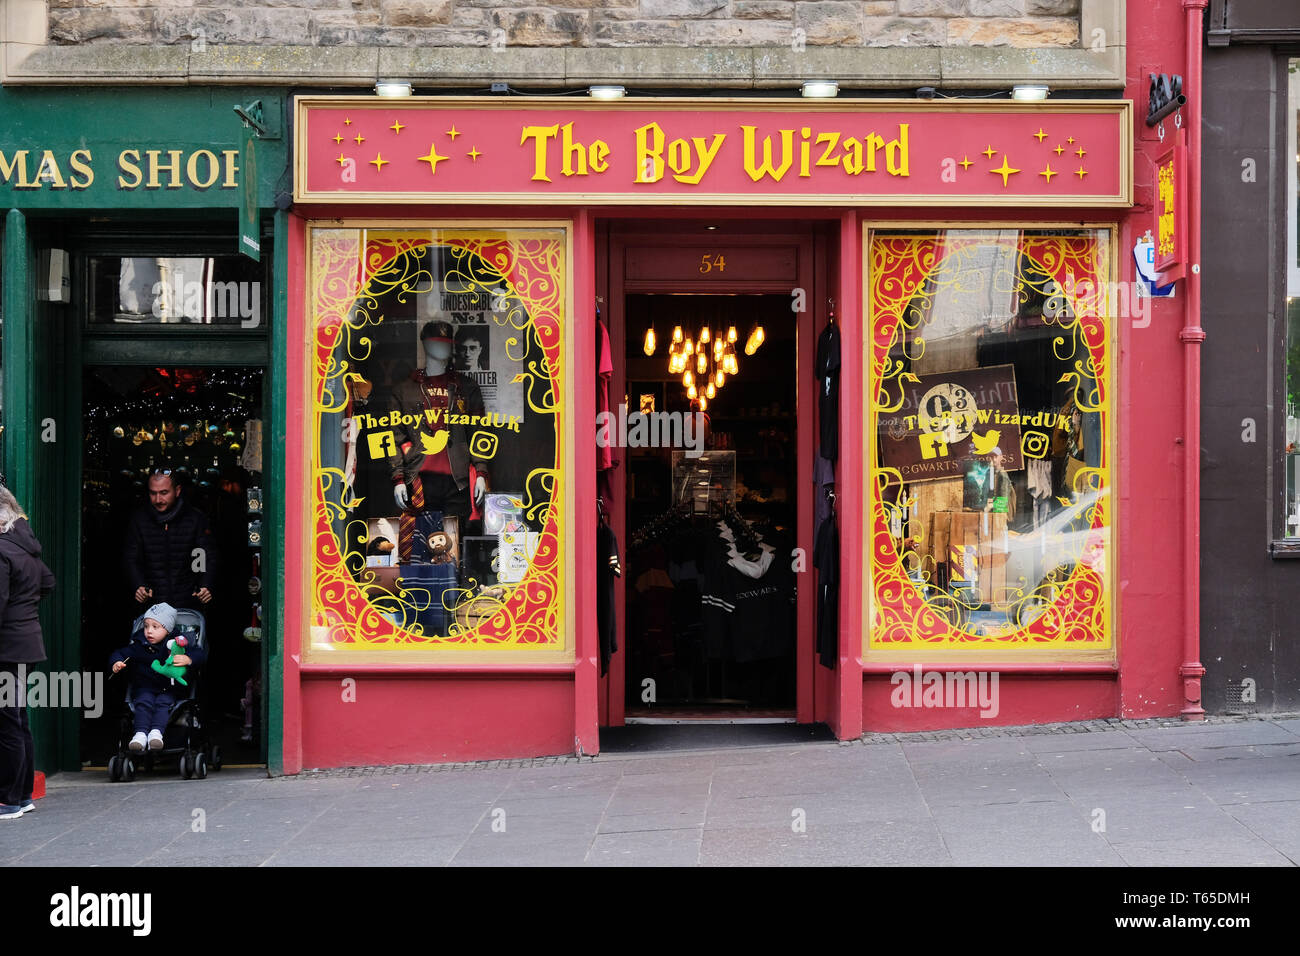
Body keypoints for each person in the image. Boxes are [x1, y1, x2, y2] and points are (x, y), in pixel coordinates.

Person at [0, 482, 55, 820]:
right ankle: (21, 796)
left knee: (7, 724)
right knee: (17, 721)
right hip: (27, 643)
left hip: (7, 647)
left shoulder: (2, 550)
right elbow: (47, 583)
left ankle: (9, 799)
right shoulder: (25, 547)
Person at [109, 602, 205, 752]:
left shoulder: (177, 644)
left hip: (169, 689)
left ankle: (156, 734)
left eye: (155, 627)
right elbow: (120, 653)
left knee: (163, 703)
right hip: (144, 687)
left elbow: (199, 654)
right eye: (146, 626)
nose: (149, 631)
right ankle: (140, 735)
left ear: (167, 630)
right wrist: (117, 662)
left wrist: (188, 659)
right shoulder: (139, 645)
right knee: (143, 703)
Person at [123, 468, 218, 610]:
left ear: (177, 491)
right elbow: (131, 558)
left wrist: (204, 585)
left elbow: (205, 556)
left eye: (164, 493)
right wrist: (139, 585)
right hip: (151, 604)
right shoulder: (139, 520)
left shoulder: (195, 519)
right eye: (153, 493)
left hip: (187, 602)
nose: (158, 499)